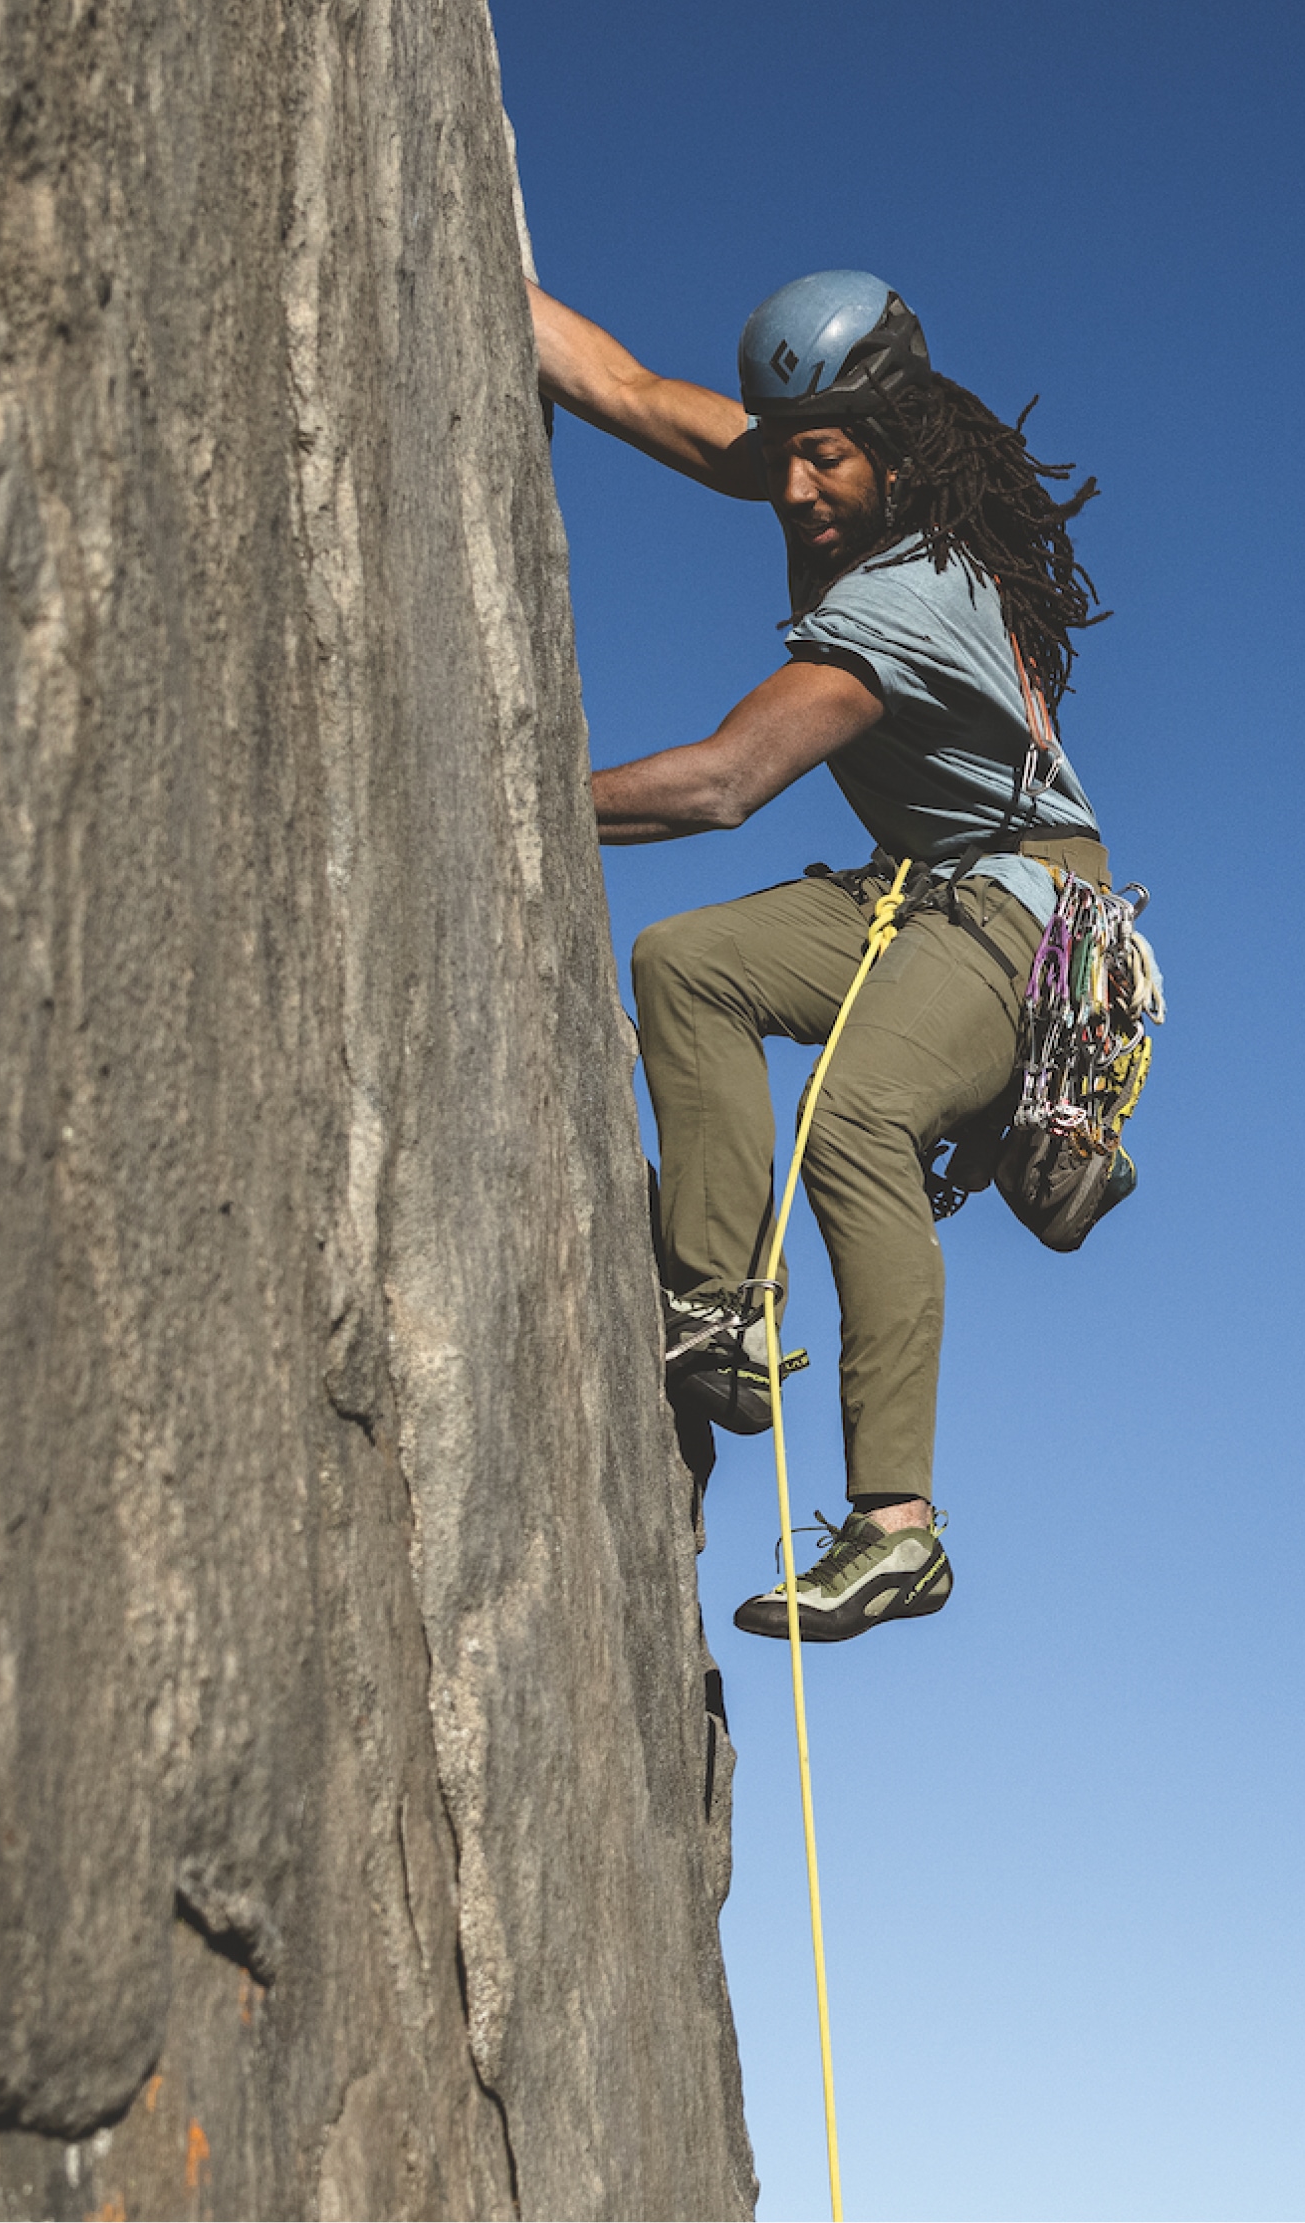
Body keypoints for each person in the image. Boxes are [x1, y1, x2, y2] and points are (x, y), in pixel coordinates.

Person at [532, 270, 1114, 1644]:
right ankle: (724, 1308)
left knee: (856, 1115)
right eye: (784, 454)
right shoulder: (824, 474)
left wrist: (501, 785)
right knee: (689, 963)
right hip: (917, 889)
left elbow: (724, 784)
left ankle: (896, 1532)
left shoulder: (909, 593)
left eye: (825, 460)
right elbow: (622, 390)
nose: (794, 494)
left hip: (1026, 911)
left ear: (896, 447)